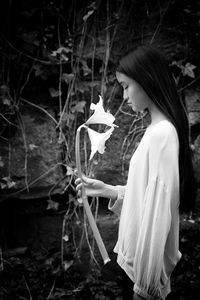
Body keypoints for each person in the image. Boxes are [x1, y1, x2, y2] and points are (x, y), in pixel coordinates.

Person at [75, 45, 195, 300]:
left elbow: (157, 213)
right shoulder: (157, 130)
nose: (125, 96)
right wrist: (108, 190)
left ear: (147, 80)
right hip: (140, 278)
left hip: (145, 285)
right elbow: (147, 197)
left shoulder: (162, 134)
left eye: (127, 86)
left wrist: (146, 287)